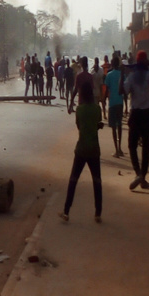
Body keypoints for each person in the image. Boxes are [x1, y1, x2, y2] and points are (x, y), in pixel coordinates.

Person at [59, 83, 103, 223]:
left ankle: (66, 211)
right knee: (97, 181)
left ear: (82, 95)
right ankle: (98, 213)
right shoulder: (97, 109)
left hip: (81, 148)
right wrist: (97, 127)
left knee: (73, 180)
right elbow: (95, 124)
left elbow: (80, 127)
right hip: (94, 149)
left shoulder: (79, 110)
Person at [125, 51, 149, 190]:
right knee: (146, 147)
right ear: (145, 63)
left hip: (135, 114)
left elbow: (124, 91)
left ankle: (138, 173)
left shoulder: (132, 77)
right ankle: (143, 178)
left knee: (132, 145)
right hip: (146, 113)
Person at [104, 56, 125, 158]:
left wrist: (104, 100)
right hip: (120, 102)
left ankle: (116, 149)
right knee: (119, 125)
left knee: (113, 127)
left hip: (112, 103)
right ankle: (120, 148)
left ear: (112, 64)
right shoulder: (121, 74)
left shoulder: (109, 75)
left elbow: (107, 89)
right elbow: (124, 88)